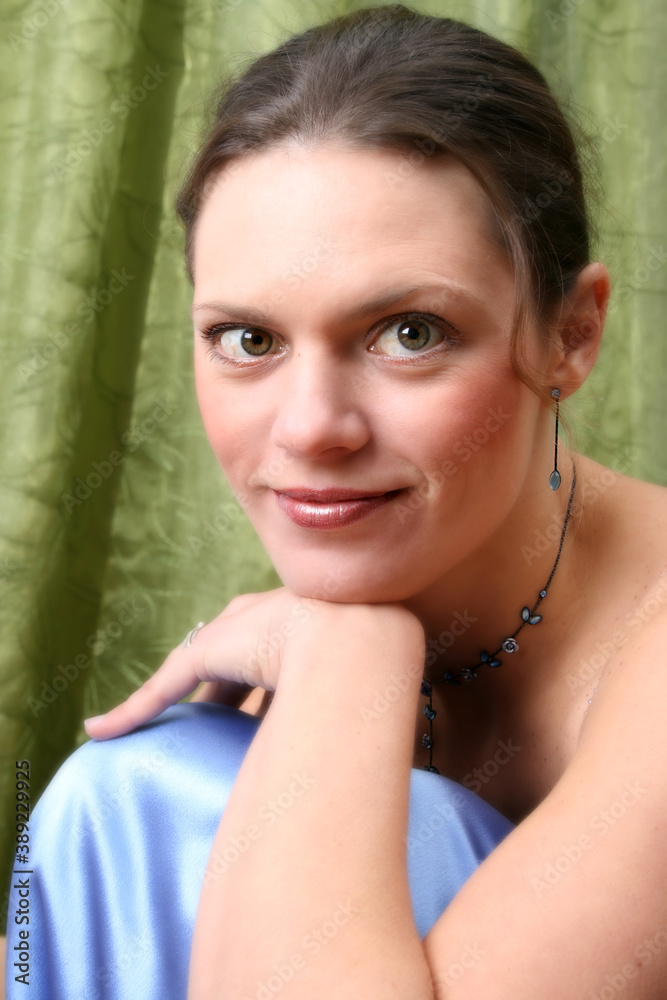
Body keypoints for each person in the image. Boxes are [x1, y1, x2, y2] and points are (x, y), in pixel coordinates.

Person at [5, 5, 667, 998]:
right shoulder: (348, 611)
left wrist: (340, 664)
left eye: (408, 333)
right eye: (248, 340)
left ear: (569, 334)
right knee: (143, 791)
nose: (312, 429)